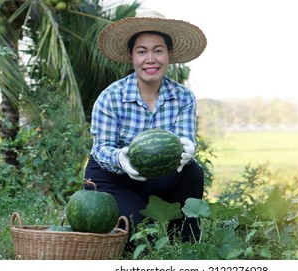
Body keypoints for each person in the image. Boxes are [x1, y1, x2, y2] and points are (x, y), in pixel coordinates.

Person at [83, 10, 207, 244]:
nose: (150, 59)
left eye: (158, 50)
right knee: (145, 236)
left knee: (193, 173)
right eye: (142, 51)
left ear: (169, 54)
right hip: (112, 177)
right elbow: (101, 150)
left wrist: (188, 149)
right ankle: (136, 227)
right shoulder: (111, 97)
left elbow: (184, 141)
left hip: (158, 174)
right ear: (131, 56)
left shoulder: (183, 97)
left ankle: (186, 243)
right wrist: (122, 159)